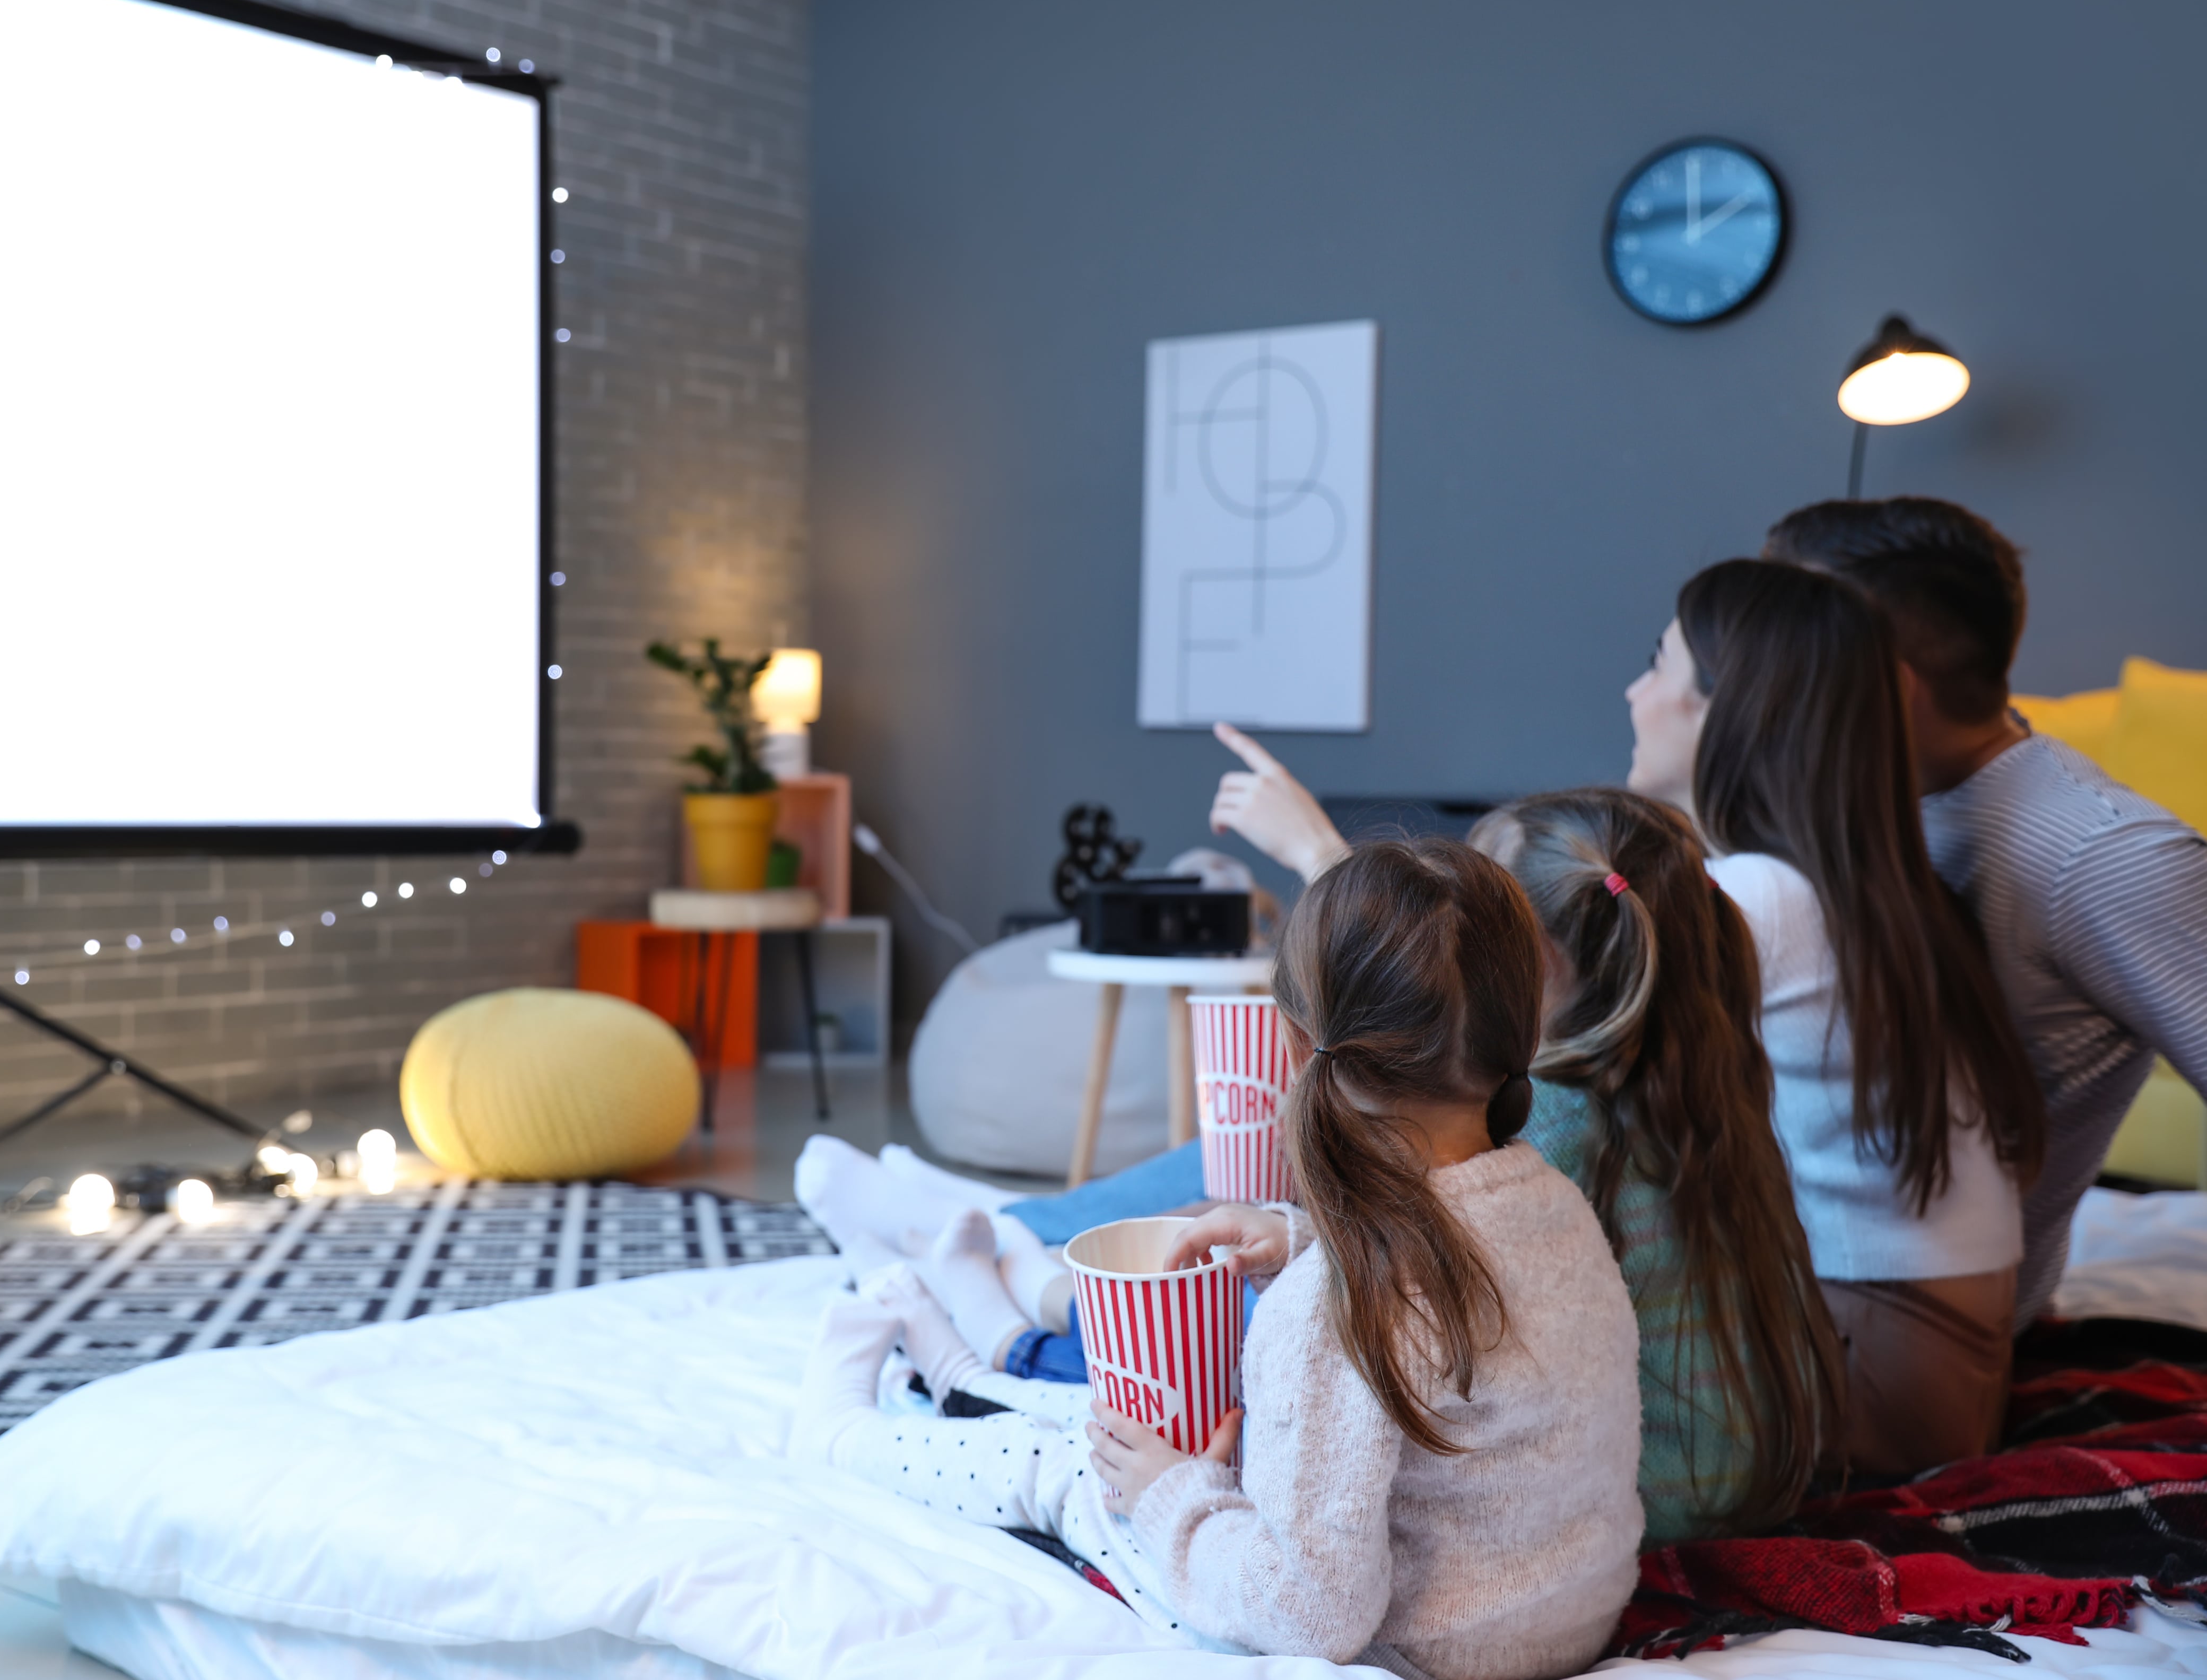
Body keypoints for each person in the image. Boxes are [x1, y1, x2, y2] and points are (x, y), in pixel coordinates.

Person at [788, 839, 1643, 1676]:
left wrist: (1171, 1495)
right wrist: (1301, 1237)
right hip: (1568, 1620)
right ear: (1524, 1031)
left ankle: (844, 1436)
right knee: (1138, 1434)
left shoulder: (1334, 1307)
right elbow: (1465, 1308)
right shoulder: (1556, 1207)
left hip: (1424, 1648)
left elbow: (1313, 1613)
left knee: (1072, 1461)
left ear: (1299, 1048)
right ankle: (957, 1360)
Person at [1628, 558, 2041, 1474]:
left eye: (1657, 664)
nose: (1635, 691)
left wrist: (1325, 856)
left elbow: (1512, 1035)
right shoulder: (1880, 888)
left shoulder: (1757, 895)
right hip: (1952, 1364)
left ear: (1719, 705)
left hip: (1876, 1373)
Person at [1766, 498, 2207, 1326]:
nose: (1749, 675)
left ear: (1879, 679)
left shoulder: (2102, 856)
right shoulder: (1848, 805)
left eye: (1784, 643)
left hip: (1903, 1356)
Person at [1465, 788, 1840, 1538]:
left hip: (1648, 1502)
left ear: (1534, 963)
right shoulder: (1713, 1098)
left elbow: (1436, 1303)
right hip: (1749, 1481)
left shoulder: (1551, 1123)